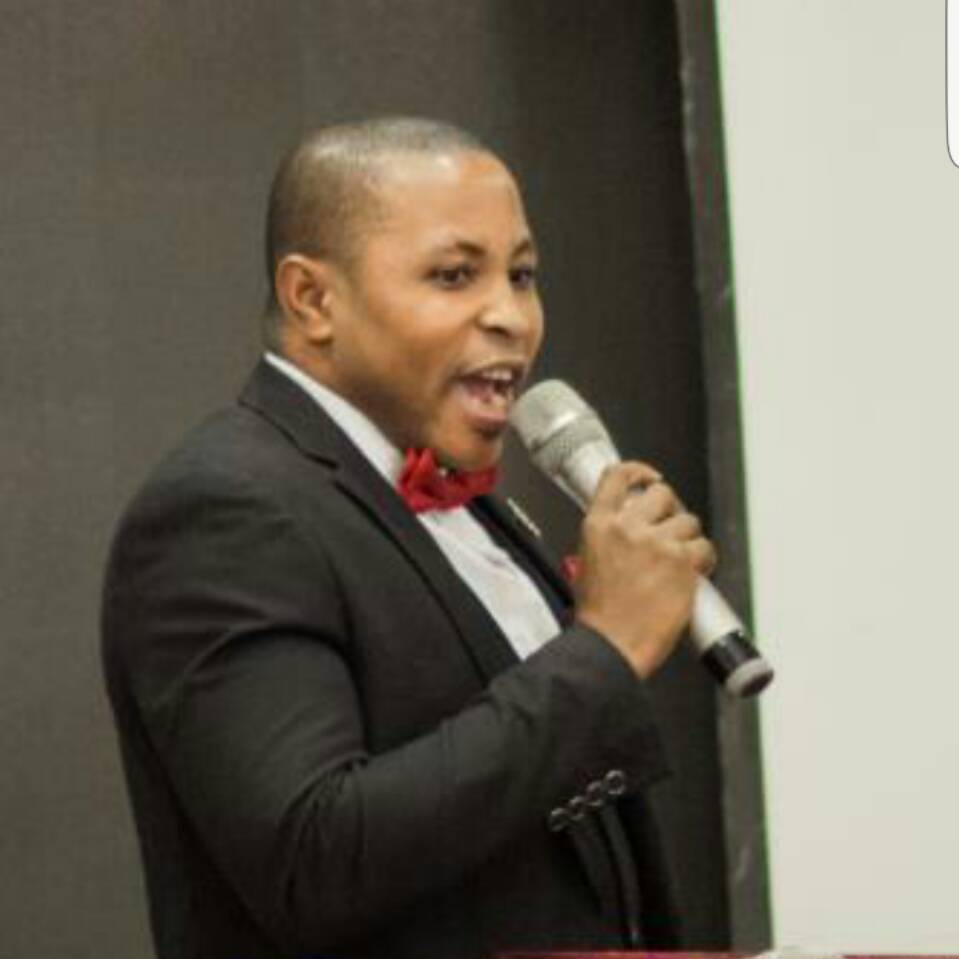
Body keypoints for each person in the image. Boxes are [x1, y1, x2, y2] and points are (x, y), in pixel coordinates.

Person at [101, 117, 716, 959]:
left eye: (522, 275)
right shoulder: (224, 509)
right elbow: (312, 858)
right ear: (312, 299)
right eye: (454, 275)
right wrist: (602, 647)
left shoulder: (464, 499)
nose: (511, 316)